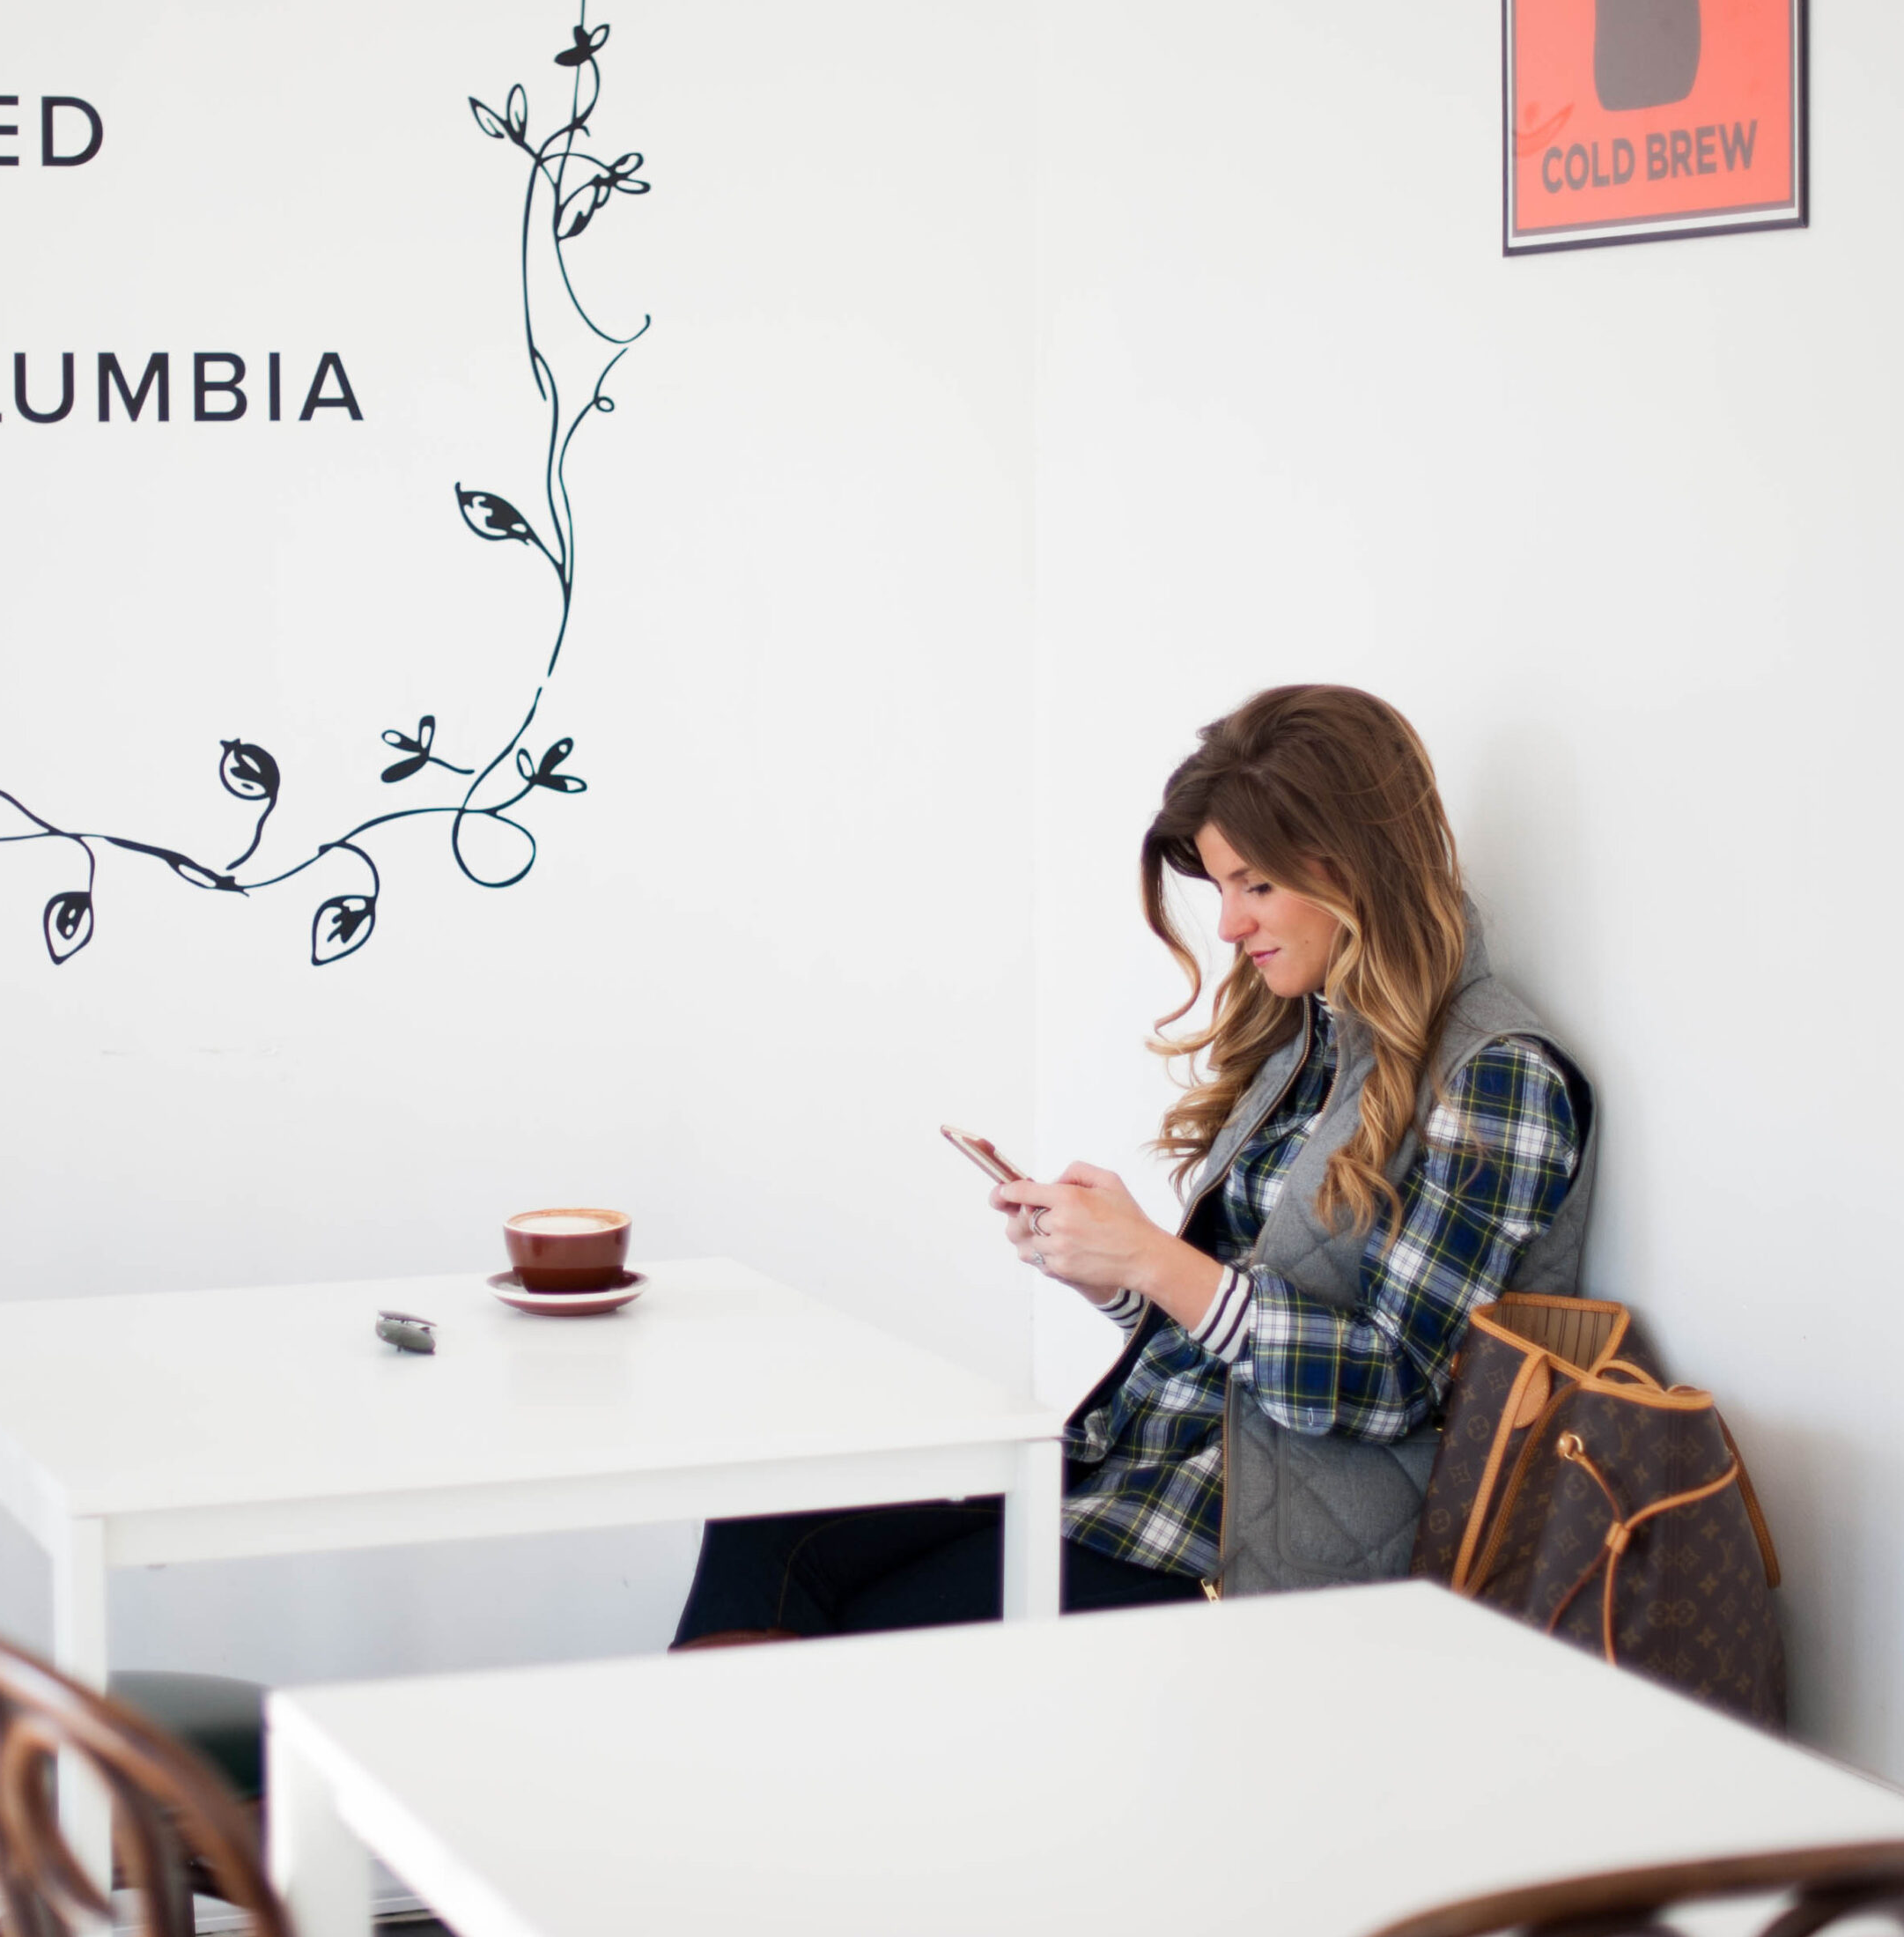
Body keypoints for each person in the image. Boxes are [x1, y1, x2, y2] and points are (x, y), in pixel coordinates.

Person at [670, 684, 1595, 1646]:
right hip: (1137, 1481)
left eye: (1257, 884)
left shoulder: (1499, 1081)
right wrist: (1112, 1268)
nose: (1229, 926)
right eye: (1221, 886)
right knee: (764, 1535)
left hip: (1243, 1554)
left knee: (853, 1631)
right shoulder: (1315, 1040)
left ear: (1356, 864)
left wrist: (1158, 1259)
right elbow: (1236, 1313)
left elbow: (1397, 1379)